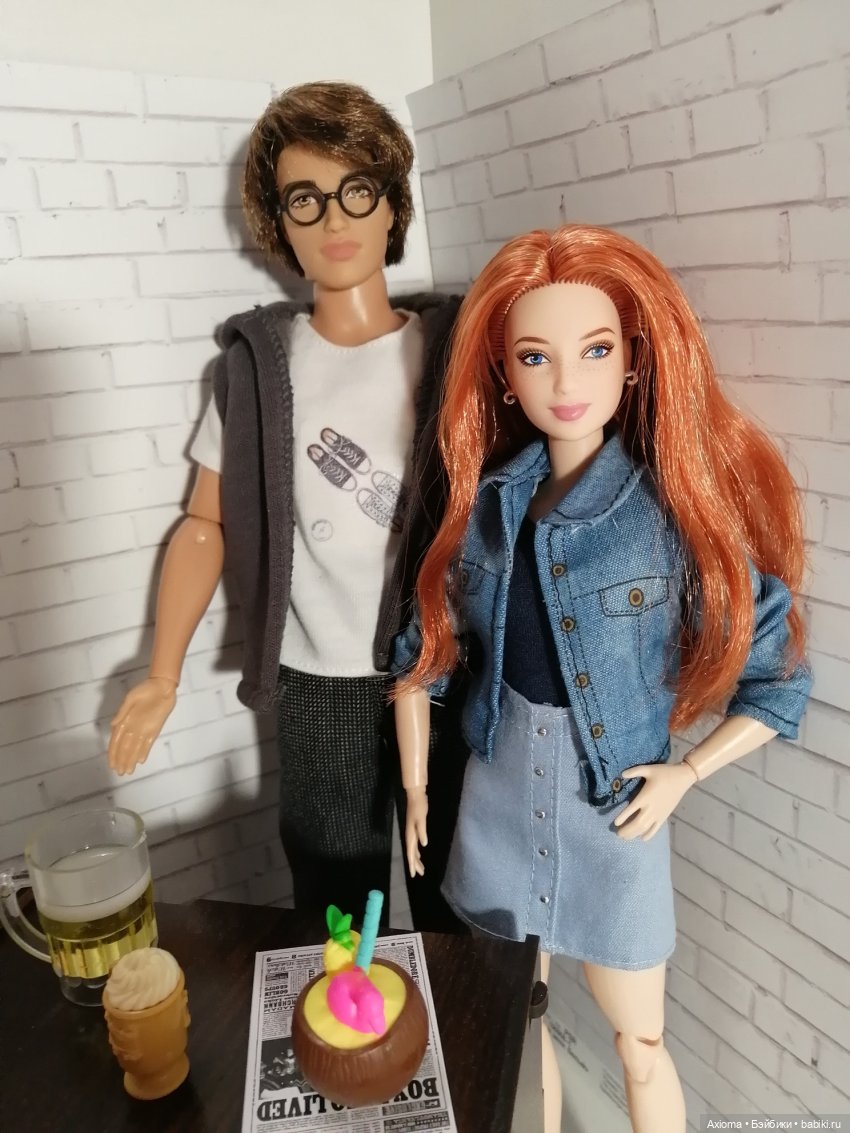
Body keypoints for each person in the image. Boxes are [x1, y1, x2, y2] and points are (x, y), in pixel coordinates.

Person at [393, 225, 812, 1133]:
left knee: (641, 1039)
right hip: (498, 795)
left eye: (593, 350)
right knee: (518, 1019)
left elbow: (777, 673)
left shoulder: (664, 516)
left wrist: (688, 772)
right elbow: (425, 649)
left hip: (614, 808)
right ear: (505, 375)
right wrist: (418, 780)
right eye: (534, 356)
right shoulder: (491, 505)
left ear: (633, 360)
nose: (565, 381)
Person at [107, 81, 467, 930]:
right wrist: (161, 672)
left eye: (357, 190)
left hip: (442, 666)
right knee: (333, 897)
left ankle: (457, 1014)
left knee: (458, 887)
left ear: (392, 205)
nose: (335, 218)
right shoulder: (260, 366)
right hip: (319, 681)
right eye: (306, 199)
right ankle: (346, 1017)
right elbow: (205, 521)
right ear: (281, 225)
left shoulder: (452, 349)